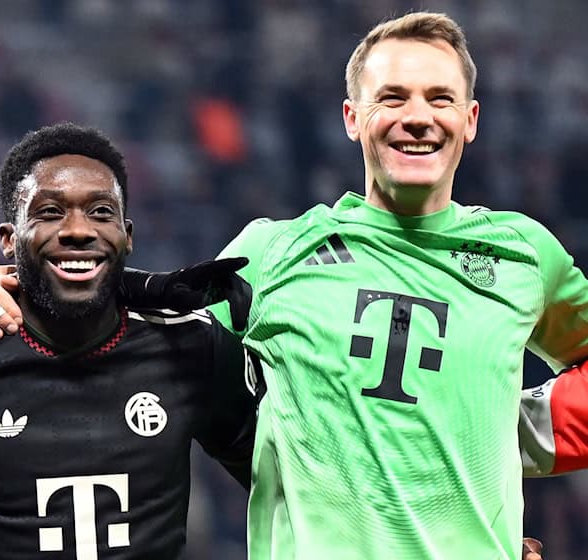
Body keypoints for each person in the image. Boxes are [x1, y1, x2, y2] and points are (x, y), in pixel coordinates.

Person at [203, 11, 588, 559]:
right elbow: (165, 367)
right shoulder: (271, 253)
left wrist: (510, 431)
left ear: (470, 119)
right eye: (392, 98)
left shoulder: (524, 253)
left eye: (440, 99)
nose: (418, 118)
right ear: (352, 118)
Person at [0, 123, 261, 559]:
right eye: (50, 212)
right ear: (8, 240)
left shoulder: (191, 345)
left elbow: (284, 483)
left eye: (101, 212)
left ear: (127, 235)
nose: (78, 230)